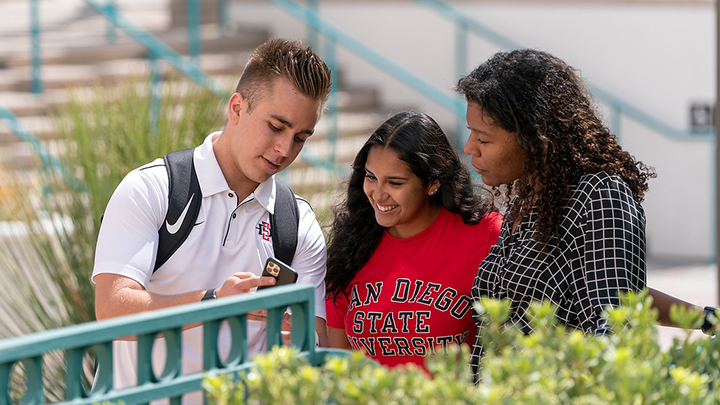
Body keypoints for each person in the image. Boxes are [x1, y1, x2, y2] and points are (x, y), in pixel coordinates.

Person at [92, 38, 332, 401]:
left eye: (300, 137)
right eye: (276, 126)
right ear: (237, 107)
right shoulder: (151, 188)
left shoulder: (297, 223)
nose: (285, 150)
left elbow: (314, 342)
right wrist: (213, 304)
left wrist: (295, 337)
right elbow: (111, 309)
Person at [455, 49, 658, 370]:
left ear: (534, 137)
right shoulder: (528, 196)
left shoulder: (599, 196)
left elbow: (615, 323)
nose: (469, 148)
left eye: (483, 138)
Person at [324, 111, 503, 370]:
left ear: (432, 183)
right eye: (371, 177)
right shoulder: (349, 248)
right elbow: (338, 365)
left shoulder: (487, 236)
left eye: (395, 183)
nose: (377, 194)